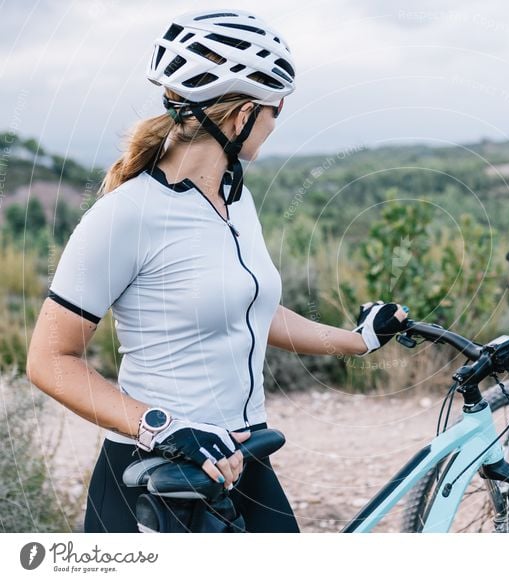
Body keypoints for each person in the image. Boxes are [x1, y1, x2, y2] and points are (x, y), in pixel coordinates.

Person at [26, 9, 407, 533]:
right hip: (157, 477)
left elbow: (252, 311)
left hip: (241, 460)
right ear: (241, 115)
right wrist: (160, 427)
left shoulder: (234, 200)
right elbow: (49, 360)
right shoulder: (126, 214)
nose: (275, 123)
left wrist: (358, 340)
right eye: (275, 109)